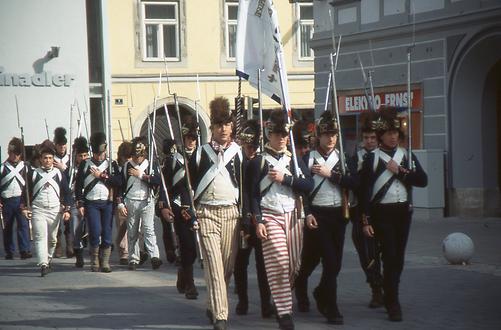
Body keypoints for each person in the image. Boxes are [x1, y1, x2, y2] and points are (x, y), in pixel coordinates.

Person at [360, 106, 427, 321]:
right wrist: (366, 219)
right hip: (382, 213)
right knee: (389, 256)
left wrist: (400, 171)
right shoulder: (372, 158)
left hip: (403, 212)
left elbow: (423, 180)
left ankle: (390, 294)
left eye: (396, 133)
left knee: (398, 259)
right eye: (389, 133)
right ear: (381, 135)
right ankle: (392, 302)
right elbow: (365, 192)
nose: (393, 136)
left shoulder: (406, 156)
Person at [248, 109, 313, 330]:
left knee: (294, 265)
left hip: (294, 215)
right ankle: (285, 313)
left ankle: (279, 296)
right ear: (269, 135)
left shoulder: (294, 159)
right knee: (279, 262)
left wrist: (286, 178)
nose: (282, 138)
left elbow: (308, 186)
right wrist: (258, 220)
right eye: (277, 134)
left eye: (285, 135)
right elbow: (252, 195)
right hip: (270, 215)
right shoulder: (259, 161)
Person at [189, 97, 242, 330]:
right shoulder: (201, 153)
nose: (223, 129)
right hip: (207, 213)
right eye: (219, 125)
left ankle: (213, 302)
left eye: (227, 124)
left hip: (232, 213)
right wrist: (188, 212)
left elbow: (246, 187)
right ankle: (221, 316)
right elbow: (187, 185)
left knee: (226, 268)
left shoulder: (239, 154)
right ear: (212, 128)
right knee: (213, 265)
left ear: (231, 127)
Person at [303, 111, 358, 325]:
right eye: (326, 135)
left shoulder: (343, 157)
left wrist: (331, 175)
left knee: (336, 264)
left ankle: (319, 292)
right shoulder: (308, 158)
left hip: (339, 214)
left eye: (334, 134)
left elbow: (355, 183)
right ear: (319, 136)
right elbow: (302, 190)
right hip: (318, 214)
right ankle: (332, 308)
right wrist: (307, 212)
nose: (331, 139)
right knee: (329, 260)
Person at [233, 119, 274, 318]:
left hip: (259, 218)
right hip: (240, 218)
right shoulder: (236, 162)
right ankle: (242, 300)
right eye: (247, 146)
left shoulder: (261, 162)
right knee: (241, 263)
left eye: (253, 146)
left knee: (262, 264)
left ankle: (266, 303)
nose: (250, 150)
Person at [21, 140, 72, 276]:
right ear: (40, 159)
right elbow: (26, 192)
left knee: (52, 239)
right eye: (45, 158)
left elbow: (67, 193)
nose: (48, 160)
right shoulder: (33, 174)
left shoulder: (59, 173)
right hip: (38, 209)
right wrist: (25, 208)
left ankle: (48, 258)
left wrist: (67, 209)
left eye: (50, 158)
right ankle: (43, 263)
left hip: (54, 210)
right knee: (39, 236)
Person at [160, 121, 199, 299]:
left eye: (194, 138)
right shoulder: (174, 160)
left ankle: (184, 272)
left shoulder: (202, 157)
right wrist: (164, 206)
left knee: (196, 248)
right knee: (187, 246)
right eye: (188, 138)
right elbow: (165, 185)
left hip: (198, 206)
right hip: (179, 206)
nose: (191, 141)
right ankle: (190, 284)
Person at [350, 111, 384, 308]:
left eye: (373, 137)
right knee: (367, 254)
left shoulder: (384, 157)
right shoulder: (356, 159)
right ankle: (376, 288)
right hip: (360, 212)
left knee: (386, 253)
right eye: (366, 138)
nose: (370, 141)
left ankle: (386, 286)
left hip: (382, 211)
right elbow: (353, 183)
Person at [116, 136, 163, 271]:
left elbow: (157, 181)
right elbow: (121, 185)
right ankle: (134, 258)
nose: (137, 159)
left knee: (149, 230)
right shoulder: (126, 166)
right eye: (135, 156)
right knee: (132, 231)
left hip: (147, 201)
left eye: (139, 156)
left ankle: (155, 256)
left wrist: (141, 175)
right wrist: (120, 204)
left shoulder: (151, 164)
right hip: (131, 201)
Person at [74, 132, 116, 273]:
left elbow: (118, 182)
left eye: (101, 153)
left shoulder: (111, 164)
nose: (99, 156)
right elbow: (78, 185)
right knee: (95, 230)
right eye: (97, 153)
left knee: (107, 232)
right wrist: (80, 203)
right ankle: (95, 260)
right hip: (91, 202)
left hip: (107, 202)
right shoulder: (85, 164)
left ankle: (105, 262)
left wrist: (102, 176)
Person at [0, 137, 32, 260]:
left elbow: (30, 185)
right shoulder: (2, 167)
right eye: (13, 153)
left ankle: (24, 250)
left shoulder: (26, 167)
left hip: (21, 200)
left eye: (17, 154)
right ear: (9, 153)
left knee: (23, 225)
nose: (15, 156)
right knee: (7, 226)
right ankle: (9, 251)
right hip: (6, 200)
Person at [52, 127, 73, 258]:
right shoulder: (51, 158)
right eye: (60, 145)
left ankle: (70, 246)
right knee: (56, 222)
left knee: (68, 221)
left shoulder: (70, 159)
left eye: (64, 145)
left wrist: (64, 168)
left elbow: (73, 175)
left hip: (68, 193)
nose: (62, 147)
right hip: (55, 193)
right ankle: (58, 246)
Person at [112, 141, 133, 265]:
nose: (128, 160)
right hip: (119, 200)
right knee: (122, 226)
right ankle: (124, 252)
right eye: (126, 157)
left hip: (133, 199)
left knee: (136, 226)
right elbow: (116, 181)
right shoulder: (115, 166)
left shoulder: (133, 166)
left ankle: (137, 250)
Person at [70, 136, 90, 268]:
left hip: (89, 201)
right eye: (80, 155)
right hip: (75, 202)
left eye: (85, 155)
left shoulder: (91, 168)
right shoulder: (70, 170)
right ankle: (79, 255)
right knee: (76, 229)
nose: (83, 158)